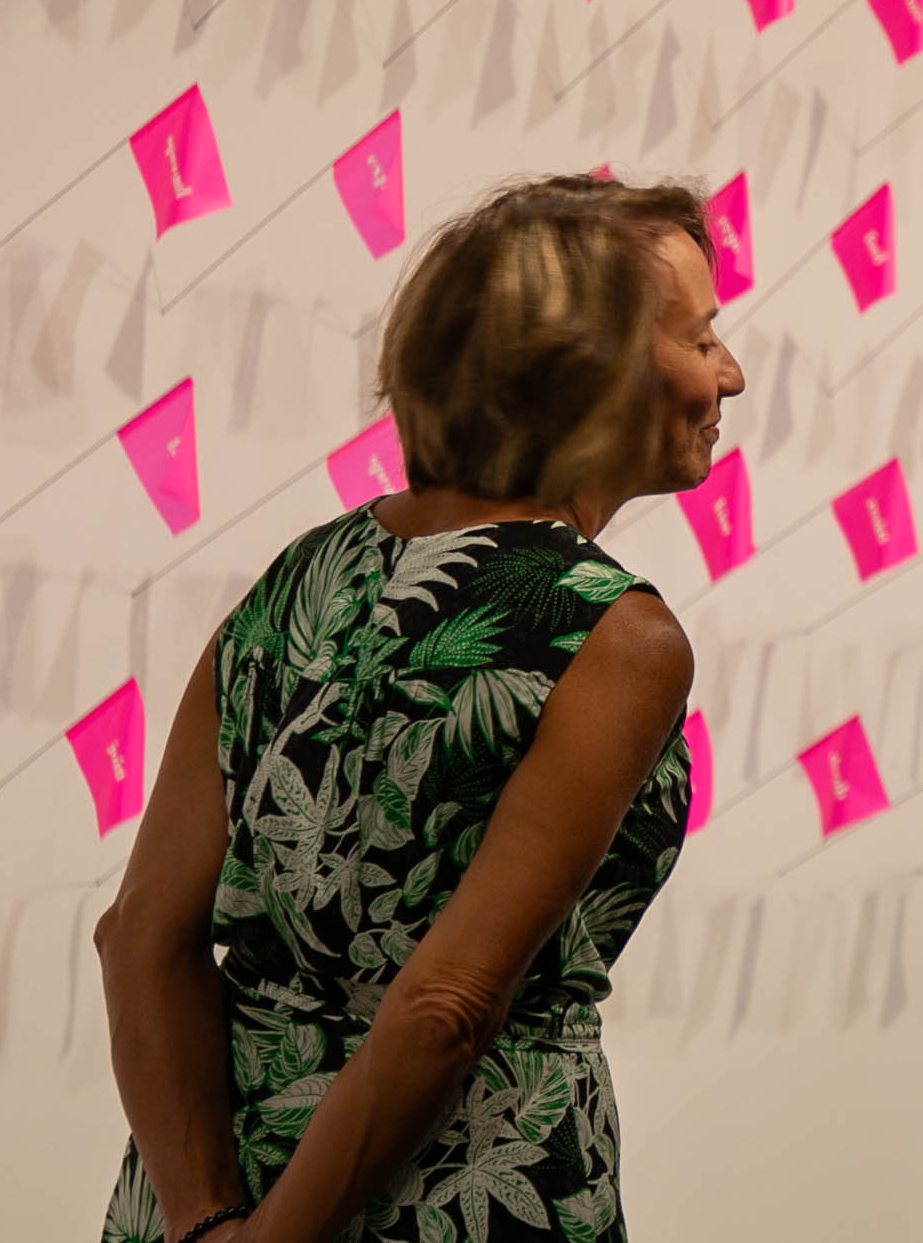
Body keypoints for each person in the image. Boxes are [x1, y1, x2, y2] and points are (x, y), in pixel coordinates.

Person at [95, 175, 744, 1243]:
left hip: (195, 1193)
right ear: (586, 366)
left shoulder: (293, 578)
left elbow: (137, 936)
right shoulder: (614, 634)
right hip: (452, 1193)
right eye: (700, 333)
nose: (731, 371)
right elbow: (447, 1003)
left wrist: (209, 1216)